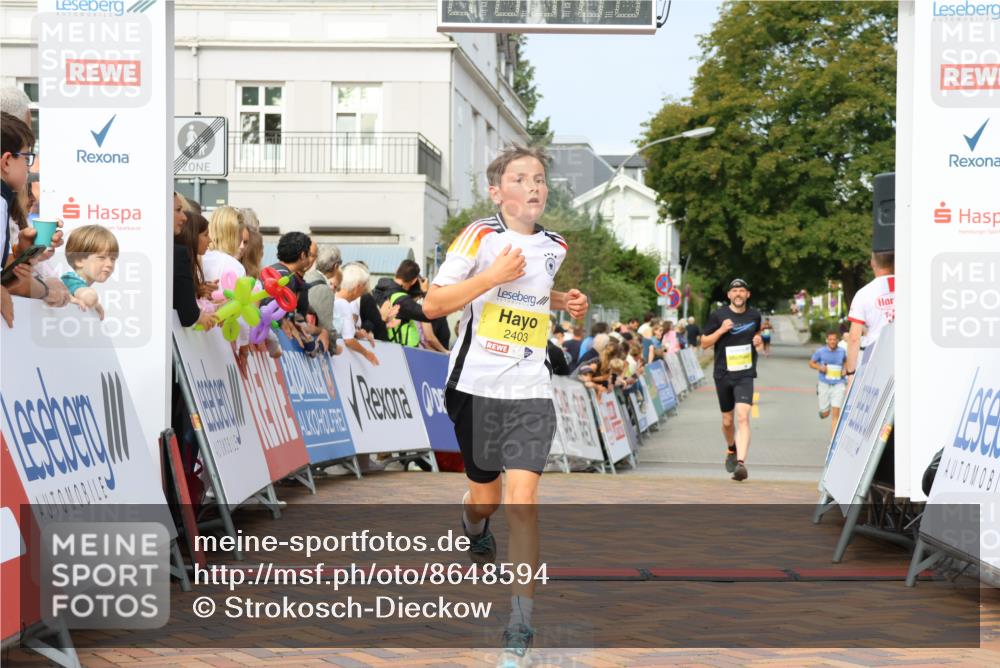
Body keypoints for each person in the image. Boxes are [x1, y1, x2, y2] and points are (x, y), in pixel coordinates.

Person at [421, 144, 588, 667]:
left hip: (529, 387)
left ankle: (519, 624)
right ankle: (472, 523)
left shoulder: (554, 245)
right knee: (487, 500)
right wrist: (492, 276)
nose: (534, 186)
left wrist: (565, 302)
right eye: (521, 178)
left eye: (540, 178)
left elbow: (532, 294)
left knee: (524, 503)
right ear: (498, 192)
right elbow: (433, 304)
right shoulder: (479, 236)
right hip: (475, 386)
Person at [700, 278, 763, 482]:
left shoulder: (755, 315)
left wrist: (758, 340)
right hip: (723, 374)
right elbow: (704, 343)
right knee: (728, 421)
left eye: (742, 291)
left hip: (745, 373)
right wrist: (720, 330)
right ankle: (731, 449)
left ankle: (741, 464)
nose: (738, 294)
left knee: (743, 416)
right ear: (729, 295)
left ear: (748, 295)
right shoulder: (718, 316)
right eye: (734, 291)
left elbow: (757, 336)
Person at [845, 251, 894, 383]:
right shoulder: (911, 288)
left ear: (873, 263)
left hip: (875, 357)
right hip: (906, 355)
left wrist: (851, 372)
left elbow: (854, 338)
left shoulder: (864, 293)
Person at [60, 225, 118, 320]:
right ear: (79, 260)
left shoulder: (78, 283)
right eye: (101, 257)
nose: (109, 264)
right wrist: (96, 304)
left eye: (113, 259)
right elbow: (90, 298)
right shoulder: (70, 280)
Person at [371, 259, 432, 346]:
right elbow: (429, 314)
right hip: (401, 349)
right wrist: (426, 292)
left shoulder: (379, 289)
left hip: (382, 345)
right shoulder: (402, 300)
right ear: (414, 281)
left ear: (396, 271)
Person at [334, 262, 379, 366]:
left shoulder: (334, 297)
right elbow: (349, 340)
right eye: (364, 287)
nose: (364, 292)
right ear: (358, 287)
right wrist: (367, 353)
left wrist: (356, 332)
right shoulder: (344, 304)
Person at [809, 331, 848, 438]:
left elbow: (846, 362)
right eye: (830, 339)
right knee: (825, 414)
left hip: (839, 384)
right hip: (824, 384)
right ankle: (823, 410)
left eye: (834, 339)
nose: (832, 341)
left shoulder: (842, 351)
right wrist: (820, 367)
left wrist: (845, 369)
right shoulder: (820, 352)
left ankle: (833, 440)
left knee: (836, 414)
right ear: (827, 340)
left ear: (837, 340)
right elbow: (811, 363)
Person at [304, 245, 342, 338]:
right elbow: (327, 328)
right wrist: (335, 348)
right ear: (335, 266)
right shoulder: (325, 290)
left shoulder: (305, 277)